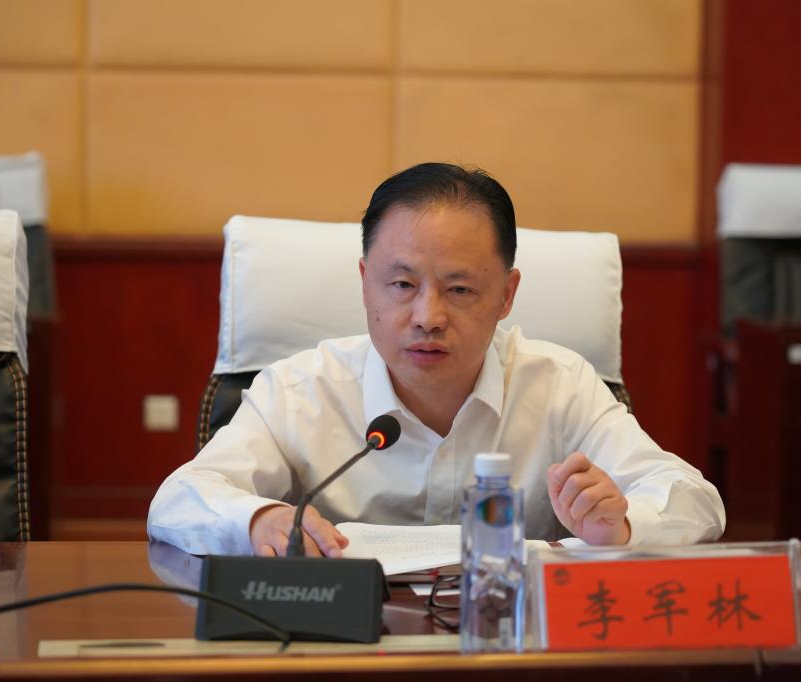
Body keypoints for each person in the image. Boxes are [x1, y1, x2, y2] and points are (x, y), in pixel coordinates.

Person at [148, 163, 725, 557]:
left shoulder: (561, 386)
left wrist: (621, 526)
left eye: (460, 289)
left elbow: (695, 500)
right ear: (365, 283)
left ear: (506, 295)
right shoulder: (299, 391)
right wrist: (257, 520)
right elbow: (178, 499)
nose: (428, 316)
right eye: (402, 285)